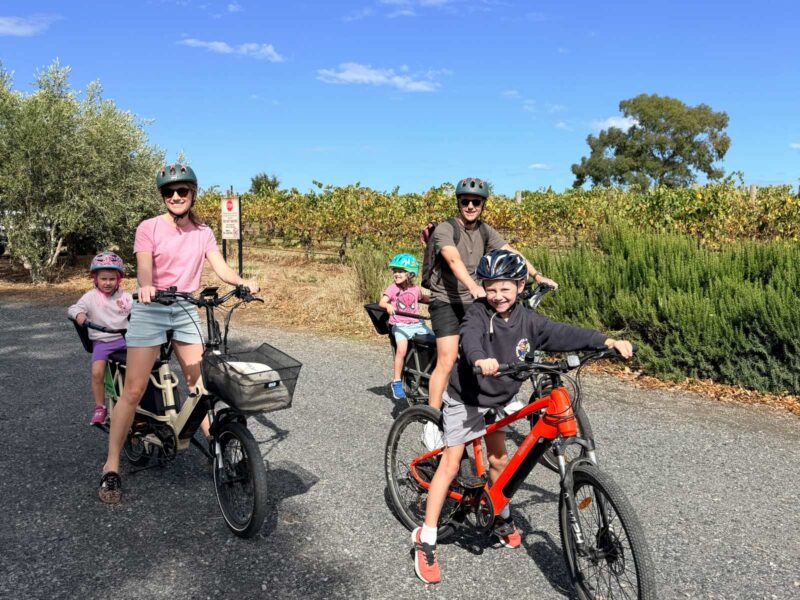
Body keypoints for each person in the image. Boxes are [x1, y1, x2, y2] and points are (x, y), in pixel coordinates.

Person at [411, 249, 633, 584]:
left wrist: (605, 340)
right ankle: (425, 538)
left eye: (506, 288)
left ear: (519, 285)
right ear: (483, 287)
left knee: (500, 460)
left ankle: (501, 516)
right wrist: (479, 358)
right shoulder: (477, 313)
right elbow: (470, 339)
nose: (498, 295)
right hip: (468, 397)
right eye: (491, 288)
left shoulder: (527, 318)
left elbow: (560, 332)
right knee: (452, 463)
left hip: (499, 397)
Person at [97, 163, 259, 505]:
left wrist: (243, 282)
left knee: (199, 384)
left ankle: (216, 446)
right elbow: (144, 267)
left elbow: (221, 266)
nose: (175, 196)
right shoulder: (149, 228)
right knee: (135, 389)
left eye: (182, 191)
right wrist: (146, 287)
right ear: (162, 197)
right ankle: (111, 465)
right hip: (152, 307)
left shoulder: (203, 233)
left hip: (185, 307)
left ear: (192, 194)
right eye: (168, 192)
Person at [424, 177, 557, 448]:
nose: (470, 206)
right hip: (447, 300)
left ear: (483, 205)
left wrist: (537, 275)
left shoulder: (486, 231)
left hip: (478, 298)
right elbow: (452, 259)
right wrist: (473, 285)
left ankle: (499, 398)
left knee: (498, 344)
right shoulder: (445, 230)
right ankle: (431, 421)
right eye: (465, 201)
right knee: (447, 360)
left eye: (476, 202)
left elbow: (512, 254)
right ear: (459, 203)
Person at [67, 252, 133, 425]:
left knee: (136, 372)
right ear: (95, 279)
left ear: (118, 279)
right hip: (102, 341)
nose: (107, 283)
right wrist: (79, 315)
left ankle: (132, 403)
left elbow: (136, 311)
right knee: (97, 373)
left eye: (112, 279)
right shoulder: (90, 297)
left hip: (125, 340)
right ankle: (99, 407)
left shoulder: (125, 297)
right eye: (103, 279)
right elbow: (73, 308)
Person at [378, 253, 432, 400]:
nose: (396, 274)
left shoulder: (415, 289)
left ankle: (429, 373)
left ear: (410, 273)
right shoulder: (392, 288)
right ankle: (396, 382)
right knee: (401, 350)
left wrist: (437, 300)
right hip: (400, 325)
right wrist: (388, 305)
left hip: (416, 324)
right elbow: (382, 302)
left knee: (435, 343)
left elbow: (424, 299)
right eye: (395, 271)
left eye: (400, 271)